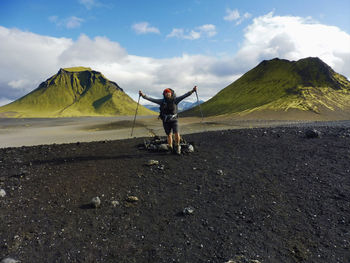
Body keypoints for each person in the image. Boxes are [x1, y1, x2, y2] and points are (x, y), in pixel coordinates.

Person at [139, 86, 197, 154]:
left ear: (171, 93)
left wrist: (193, 91)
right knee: (169, 135)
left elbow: (184, 96)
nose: (167, 94)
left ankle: (177, 147)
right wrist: (143, 95)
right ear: (164, 94)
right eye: (166, 93)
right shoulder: (162, 101)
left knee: (176, 133)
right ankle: (170, 147)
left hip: (174, 120)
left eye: (168, 93)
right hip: (166, 121)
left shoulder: (175, 100)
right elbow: (151, 99)